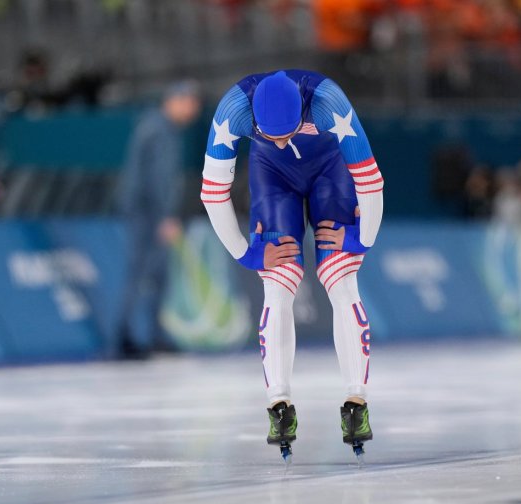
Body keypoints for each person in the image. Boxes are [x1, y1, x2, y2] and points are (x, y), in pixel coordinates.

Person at [200, 70, 384, 460]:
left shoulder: (328, 100)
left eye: (288, 132)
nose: (282, 141)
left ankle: (357, 401)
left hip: (330, 173)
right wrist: (245, 254)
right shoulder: (234, 109)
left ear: (304, 111)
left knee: (341, 276)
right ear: (255, 120)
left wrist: (360, 239)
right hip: (273, 179)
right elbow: (212, 193)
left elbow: (370, 181)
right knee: (278, 281)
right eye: (272, 135)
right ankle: (278, 403)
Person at [117, 81, 202, 359]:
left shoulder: (159, 128)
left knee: (157, 275)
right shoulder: (159, 131)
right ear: (176, 100)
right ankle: (126, 337)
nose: (193, 112)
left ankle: (153, 334)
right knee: (141, 273)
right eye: (190, 104)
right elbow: (157, 178)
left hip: (147, 212)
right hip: (148, 214)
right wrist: (164, 216)